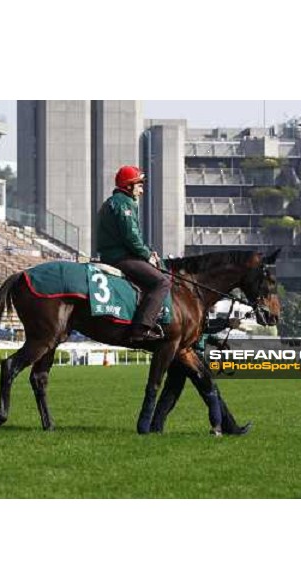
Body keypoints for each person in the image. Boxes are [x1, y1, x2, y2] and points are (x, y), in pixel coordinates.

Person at [96, 165, 170, 343]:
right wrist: (147, 255)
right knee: (162, 282)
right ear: (128, 186)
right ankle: (142, 328)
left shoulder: (116, 201)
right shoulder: (124, 203)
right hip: (120, 257)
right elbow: (132, 237)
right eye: (140, 186)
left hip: (116, 254)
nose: (142, 191)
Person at [153, 316, 253, 435]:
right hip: (192, 358)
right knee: (212, 393)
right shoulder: (195, 314)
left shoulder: (190, 314)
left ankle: (155, 427)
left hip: (178, 357)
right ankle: (222, 428)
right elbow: (206, 328)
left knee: (170, 393)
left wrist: (219, 342)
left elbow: (206, 333)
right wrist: (226, 323)